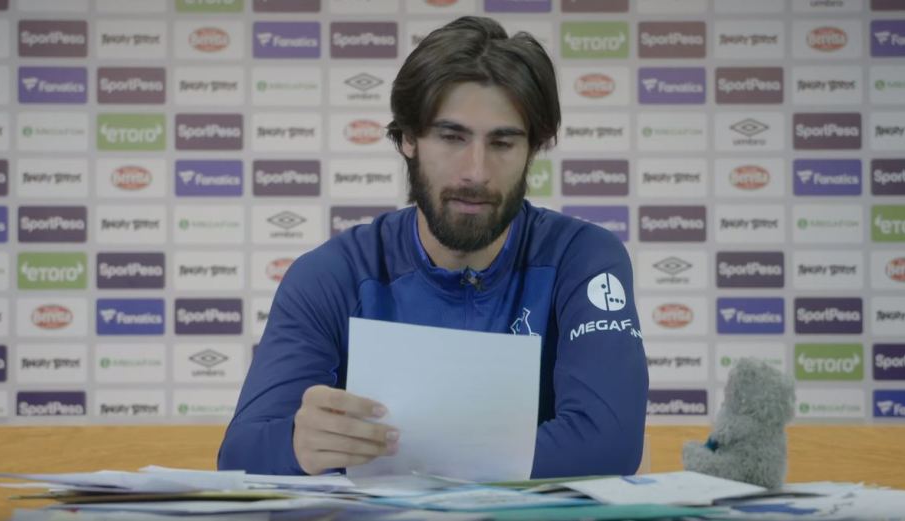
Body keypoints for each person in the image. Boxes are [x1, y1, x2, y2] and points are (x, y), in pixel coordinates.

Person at [218, 16, 648, 478]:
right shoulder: (331, 275)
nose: (476, 172)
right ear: (407, 138)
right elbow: (241, 456)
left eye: (502, 143)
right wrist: (296, 445)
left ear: (533, 150)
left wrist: (397, 455)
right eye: (451, 137)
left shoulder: (582, 259)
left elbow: (609, 446)